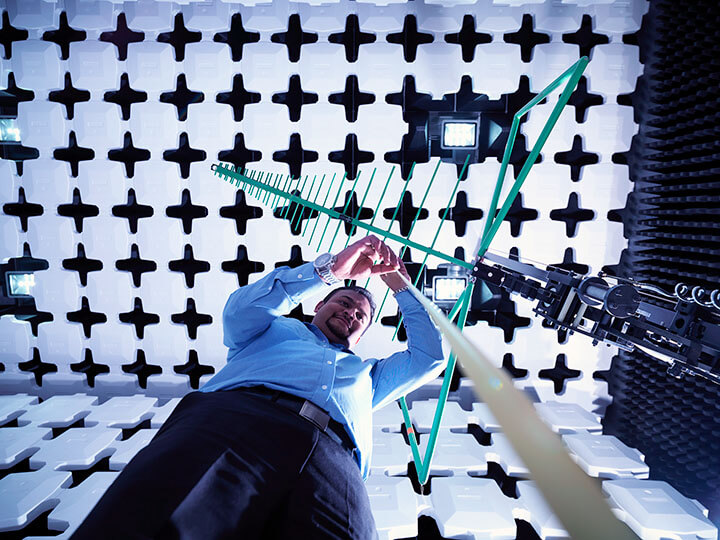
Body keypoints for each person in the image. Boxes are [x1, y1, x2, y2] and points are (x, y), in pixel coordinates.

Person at [71, 234, 445, 540]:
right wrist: (330, 271)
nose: (351, 312)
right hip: (235, 422)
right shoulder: (268, 329)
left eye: (360, 316)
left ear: (362, 335)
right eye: (345, 302)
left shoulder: (369, 378)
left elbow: (429, 357)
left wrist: (400, 286)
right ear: (318, 305)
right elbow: (239, 310)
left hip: (335, 458)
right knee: (162, 519)